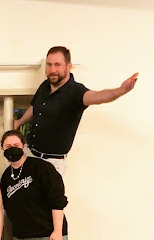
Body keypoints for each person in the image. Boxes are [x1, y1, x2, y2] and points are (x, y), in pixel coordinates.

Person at [14, 46, 138, 175]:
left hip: (52, 163)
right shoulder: (44, 86)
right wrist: (19, 122)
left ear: (68, 66)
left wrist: (120, 91)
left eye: (57, 65)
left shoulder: (76, 91)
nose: (52, 70)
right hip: (29, 155)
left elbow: (99, 96)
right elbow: (35, 107)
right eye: (49, 65)